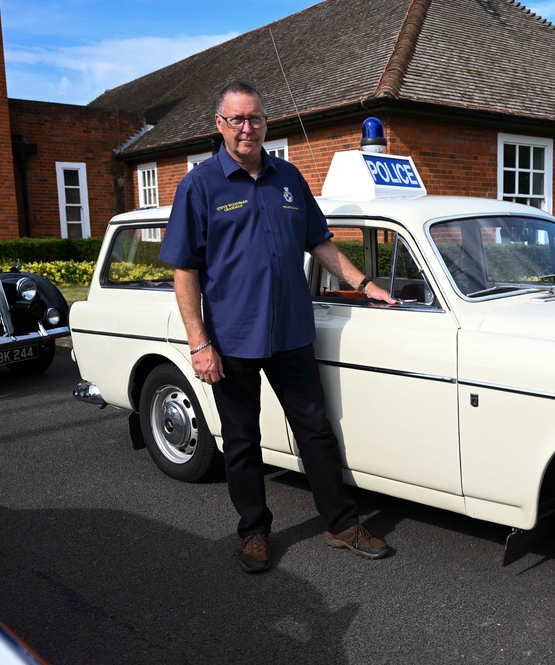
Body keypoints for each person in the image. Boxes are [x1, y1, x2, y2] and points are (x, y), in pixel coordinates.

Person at [159, 81, 396, 573]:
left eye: (257, 119)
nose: (248, 128)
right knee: (242, 441)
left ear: (267, 123)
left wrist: (364, 283)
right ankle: (253, 533)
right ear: (220, 125)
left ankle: (340, 523)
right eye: (238, 120)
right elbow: (185, 270)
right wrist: (199, 343)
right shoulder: (199, 186)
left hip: (291, 333)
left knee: (316, 431)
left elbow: (320, 242)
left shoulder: (288, 178)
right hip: (231, 339)